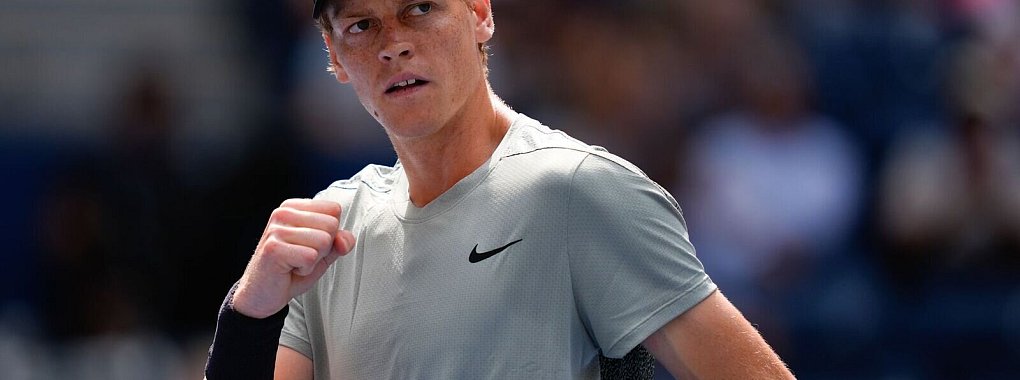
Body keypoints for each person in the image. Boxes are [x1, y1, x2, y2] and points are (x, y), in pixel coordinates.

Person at [205, 0, 794, 379]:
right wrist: (250, 316)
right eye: (362, 25)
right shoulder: (329, 228)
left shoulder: (580, 191)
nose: (394, 43)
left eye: (420, 9)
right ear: (333, 56)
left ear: (481, 14)